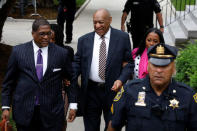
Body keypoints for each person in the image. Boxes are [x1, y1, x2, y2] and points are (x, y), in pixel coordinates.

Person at [1, 18, 77, 131]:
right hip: (24, 112)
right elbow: (8, 82)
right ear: (33, 33)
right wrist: (6, 107)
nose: (46, 37)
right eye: (42, 34)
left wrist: (73, 105)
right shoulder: (18, 52)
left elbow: (70, 80)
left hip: (52, 114)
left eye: (48, 34)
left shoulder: (61, 54)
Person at [107, 43, 197, 131]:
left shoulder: (187, 96)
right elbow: (114, 125)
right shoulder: (129, 91)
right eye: (155, 65)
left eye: (164, 66)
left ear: (173, 68)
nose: (158, 70)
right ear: (148, 66)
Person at [72, 8, 134, 131]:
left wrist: (121, 80)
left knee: (112, 126)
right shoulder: (84, 41)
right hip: (91, 92)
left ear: (110, 20)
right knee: (90, 127)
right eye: (94, 22)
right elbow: (76, 65)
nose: (97, 25)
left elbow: (129, 64)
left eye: (101, 22)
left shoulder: (122, 38)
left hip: (113, 92)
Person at [50, 23, 74, 131]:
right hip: (42, 92)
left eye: (53, 39)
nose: (50, 42)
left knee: (59, 122)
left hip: (61, 92)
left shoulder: (66, 52)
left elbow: (70, 74)